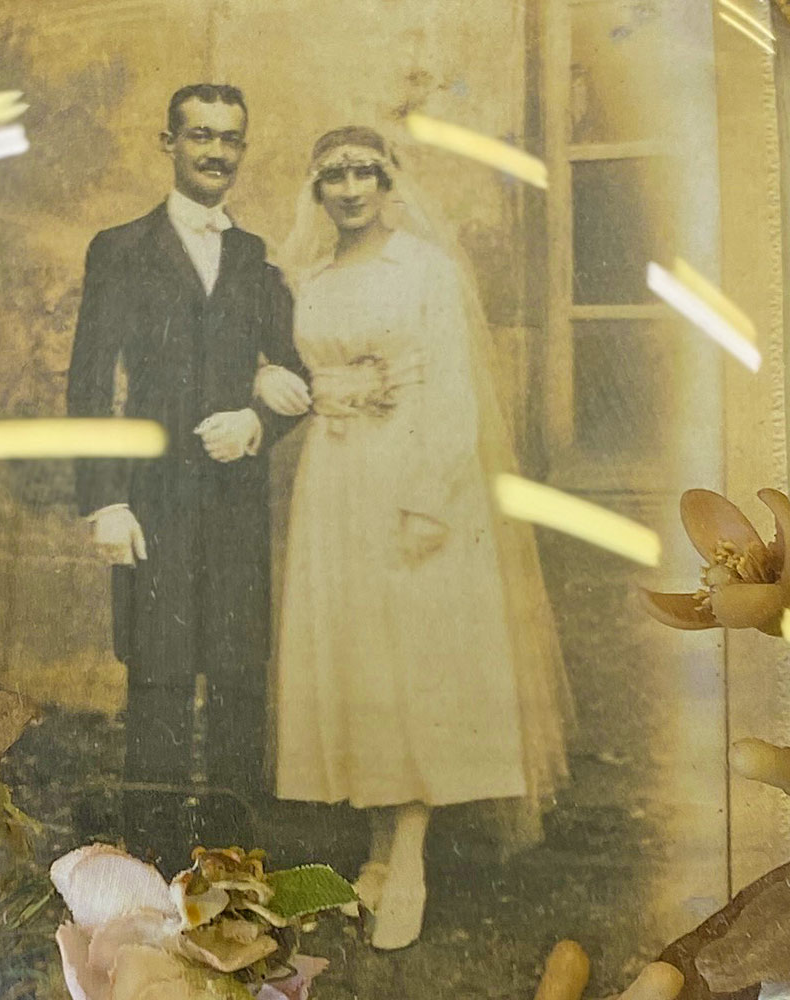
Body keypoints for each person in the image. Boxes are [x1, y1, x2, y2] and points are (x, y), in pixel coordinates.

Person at [264, 126, 572, 950]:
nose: (352, 189)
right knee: (355, 656)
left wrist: (429, 499)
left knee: (410, 660)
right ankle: (371, 843)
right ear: (317, 190)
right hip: (331, 480)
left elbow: (453, 392)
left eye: (367, 173)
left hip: (408, 478)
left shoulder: (425, 271)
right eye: (335, 176)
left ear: (389, 181)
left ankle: (408, 855)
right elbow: (289, 369)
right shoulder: (311, 278)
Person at [65, 84, 309, 864]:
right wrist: (105, 499)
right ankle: (152, 869)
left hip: (236, 503)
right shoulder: (121, 247)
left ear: (243, 149)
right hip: (154, 499)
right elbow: (89, 381)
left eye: (230, 138)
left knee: (240, 682)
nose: (215, 151)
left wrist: (260, 422)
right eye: (199, 134)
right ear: (166, 142)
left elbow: (301, 374)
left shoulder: (254, 256)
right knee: (160, 683)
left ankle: (237, 877)